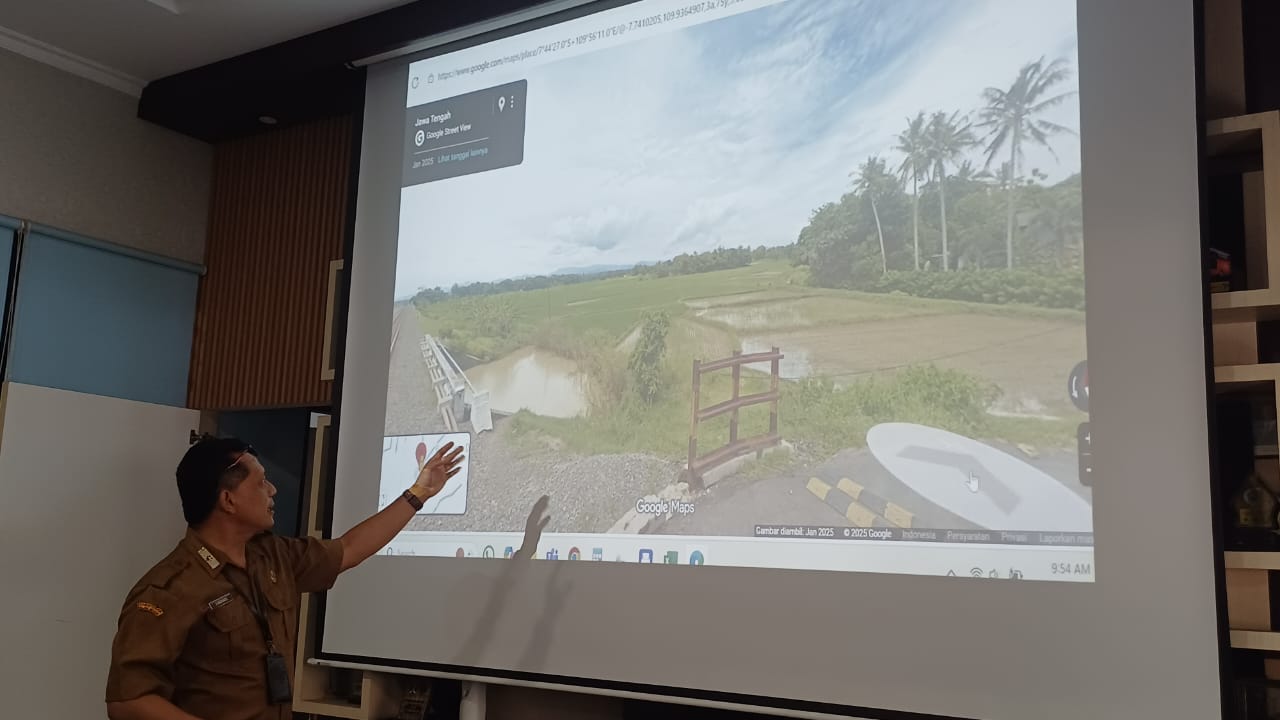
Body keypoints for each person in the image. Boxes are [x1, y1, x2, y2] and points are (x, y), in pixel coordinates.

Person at [104, 435, 463, 720]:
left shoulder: (273, 555)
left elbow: (350, 549)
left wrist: (419, 493)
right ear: (228, 501)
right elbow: (128, 702)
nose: (273, 490)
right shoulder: (169, 588)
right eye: (261, 482)